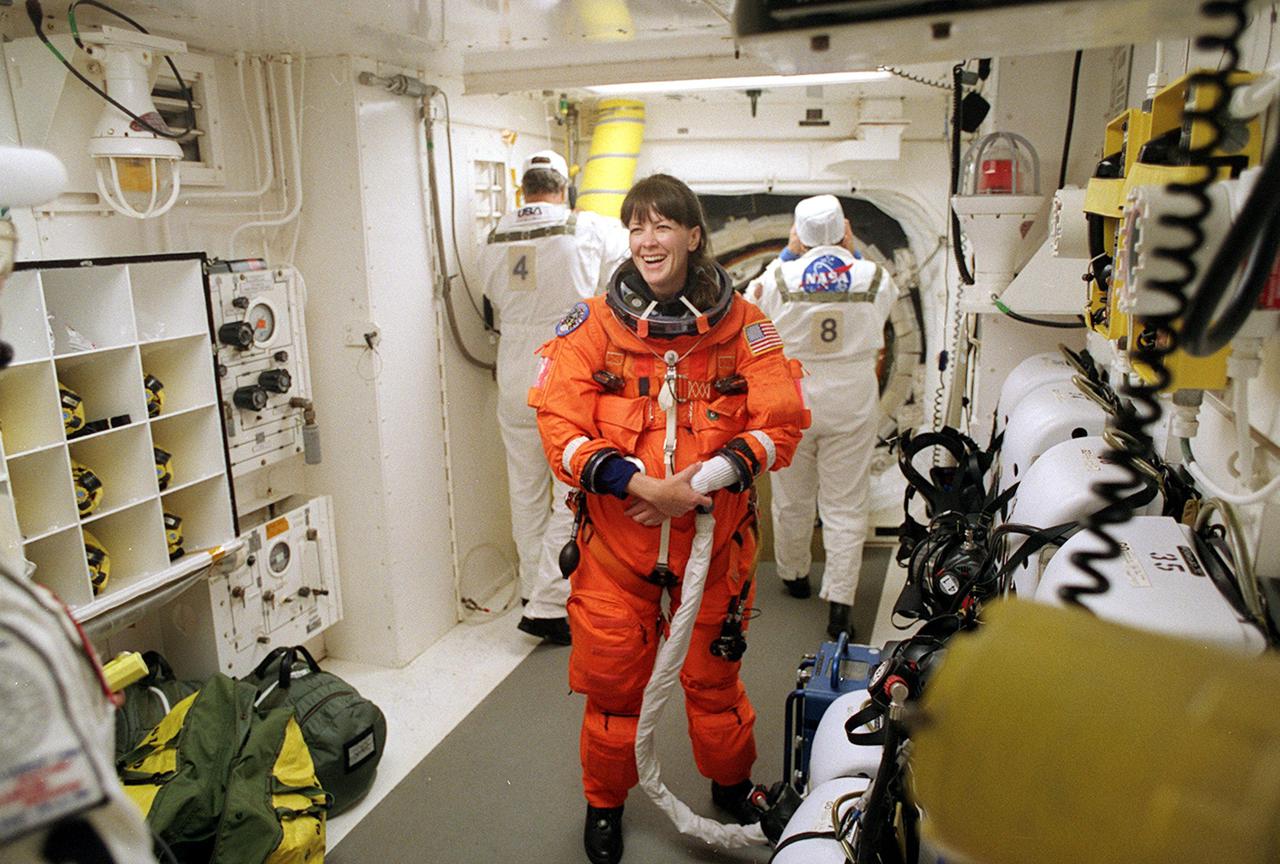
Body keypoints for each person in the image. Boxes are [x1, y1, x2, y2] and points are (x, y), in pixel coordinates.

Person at [530, 174, 809, 864]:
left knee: (715, 685)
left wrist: (705, 479)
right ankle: (604, 804)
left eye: (662, 227)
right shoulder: (591, 325)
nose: (647, 241)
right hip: (617, 559)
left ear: (692, 236)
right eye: (636, 228)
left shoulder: (749, 327)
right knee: (615, 691)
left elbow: (782, 424)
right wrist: (642, 484)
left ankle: (732, 785)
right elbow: (558, 427)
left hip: (713, 555)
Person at [481, 150, 629, 645]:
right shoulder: (587, 227)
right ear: (564, 188)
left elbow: (492, 298)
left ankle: (531, 589)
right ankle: (549, 604)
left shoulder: (493, 236)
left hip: (513, 369)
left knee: (524, 490)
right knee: (572, 487)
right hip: (564, 366)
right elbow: (623, 278)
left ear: (523, 189)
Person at [748, 194, 897, 640]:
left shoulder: (777, 276)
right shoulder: (875, 276)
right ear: (845, 230)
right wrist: (849, 254)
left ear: (799, 233)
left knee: (792, 496)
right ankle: (840, 603)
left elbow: (747, 314)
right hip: (852, 397)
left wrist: (787, 256)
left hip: (795, 396)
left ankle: (795, 576)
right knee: (845, 504)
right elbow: (880, 314)